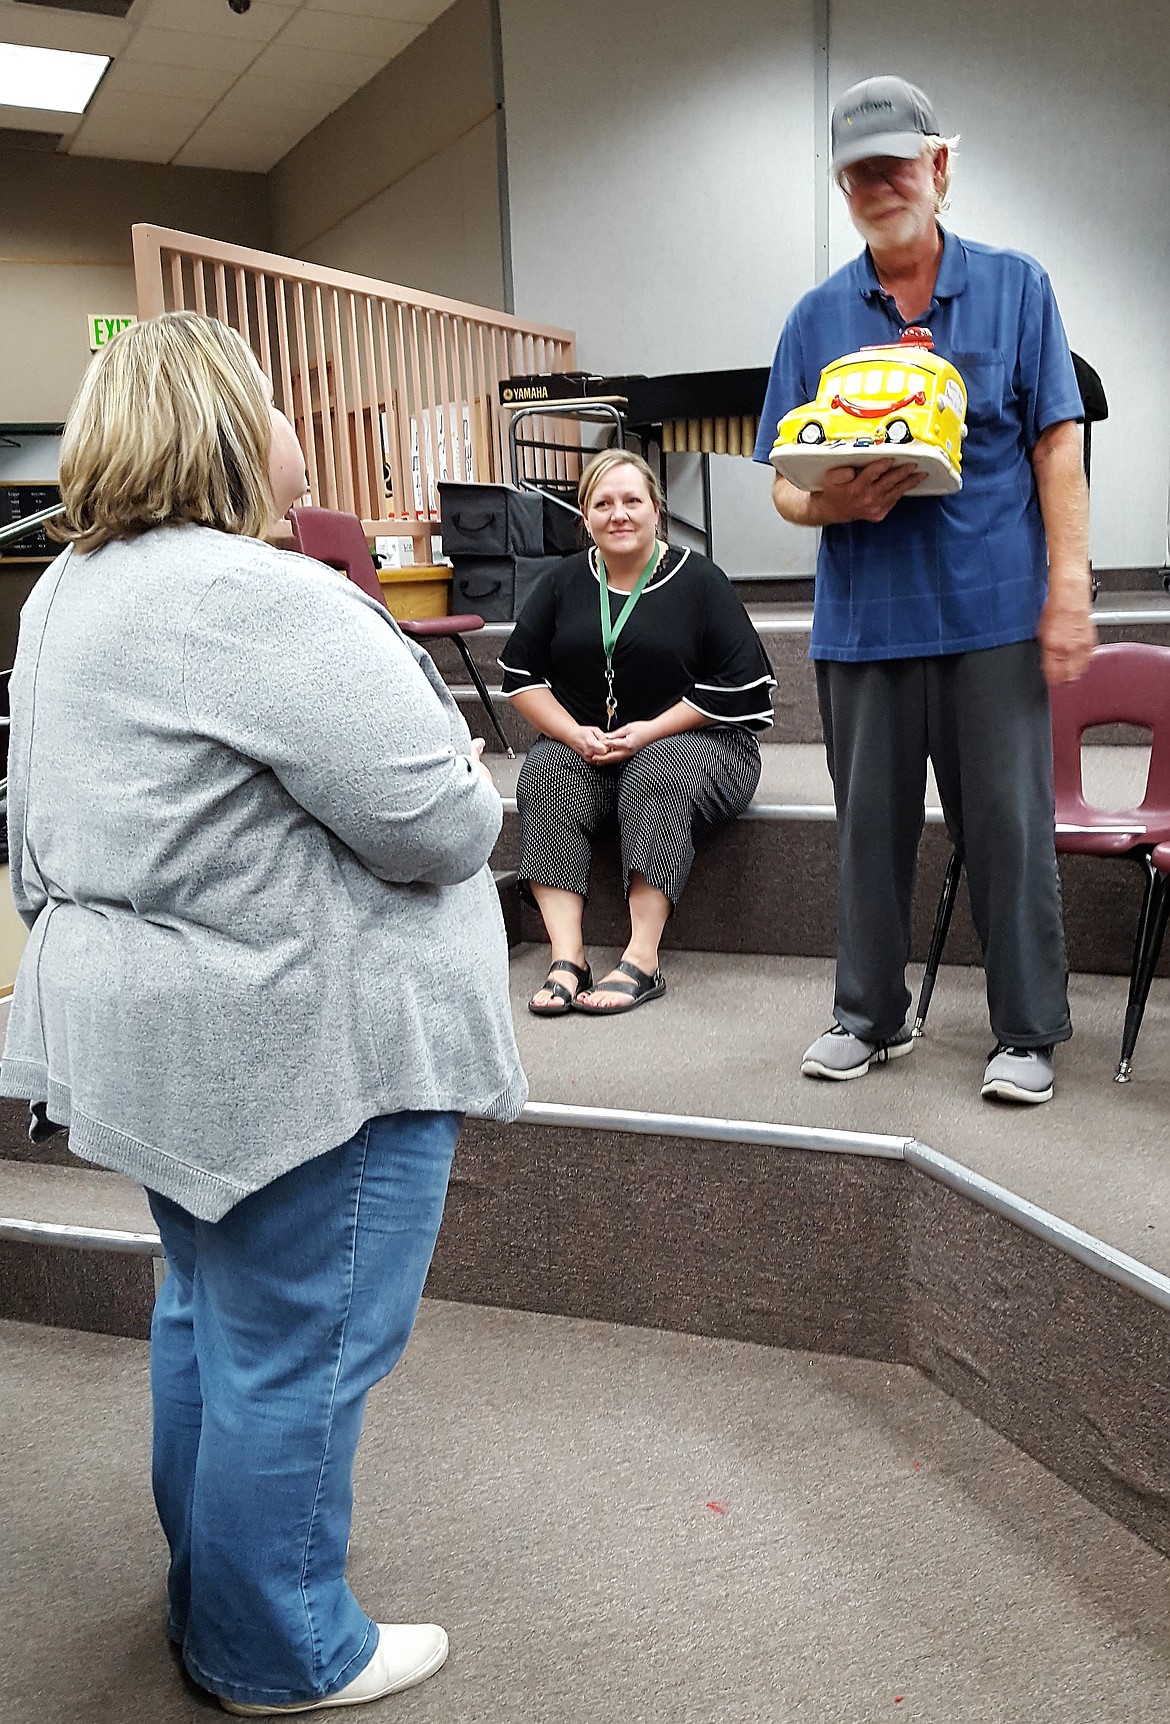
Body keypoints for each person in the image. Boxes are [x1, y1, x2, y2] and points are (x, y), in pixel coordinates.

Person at [0, 311, 527, 1715]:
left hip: (163, 1038)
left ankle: (212, 1593)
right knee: (301, 1346)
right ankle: (276, 1649)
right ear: (232, 427)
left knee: (215, 1321)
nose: (298, 425)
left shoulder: (71, 586)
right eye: (277, 398)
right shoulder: (259, 592)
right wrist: (473, 772)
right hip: (299, 1043)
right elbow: (432, 827)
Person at [756, 74, 1095, 1105]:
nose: (878, 186)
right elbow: (781, 482)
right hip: (866, 624)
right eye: (858, 173)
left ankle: (1028, 1032)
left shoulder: (1016, 287)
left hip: (992, 612)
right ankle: (869, 1013)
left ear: (940, 168)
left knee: (1008, 830)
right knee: (867, 836)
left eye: (896, 165)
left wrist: (1070, 587)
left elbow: (1056, 444)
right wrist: (837, 506)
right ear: (842, 188)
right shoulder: (815, 318)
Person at [501, 449, 775, 1015]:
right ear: (585, 517)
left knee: (656, 768)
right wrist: (574, 733)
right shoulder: (564, 581)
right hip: (598, 753)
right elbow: (520, 676)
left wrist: (651, 729)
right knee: (546, 767)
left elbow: (746, 685)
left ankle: (643, 960)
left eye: (632, 501)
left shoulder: (699, 579)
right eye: (603, 503)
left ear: (656, 510)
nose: (618, 514)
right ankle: (568, 958)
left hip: (708, 750)